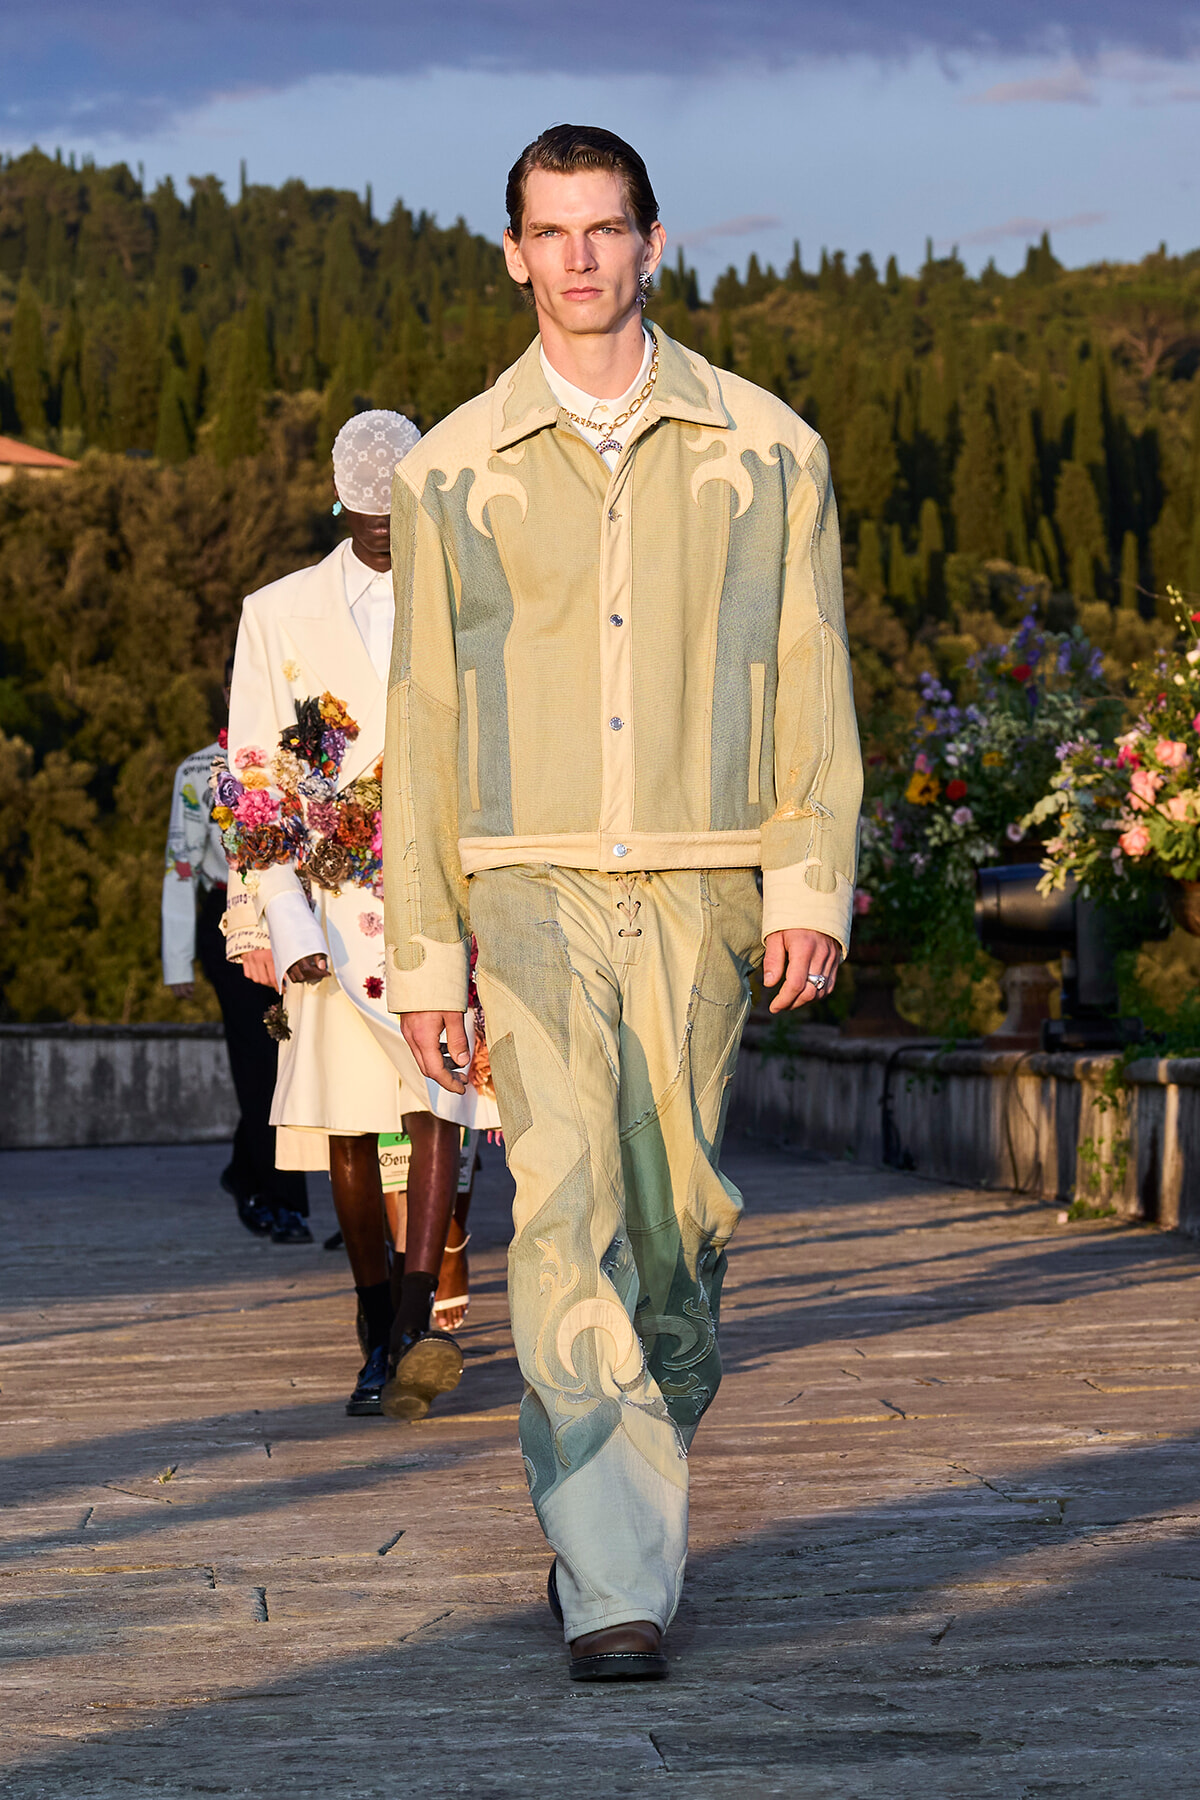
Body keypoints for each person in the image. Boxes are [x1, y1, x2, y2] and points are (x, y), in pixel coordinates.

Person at [383, 125, 862, 1681]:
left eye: (605, 228)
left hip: (706, 879)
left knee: (675, 1235)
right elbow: (425, 720)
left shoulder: (768, 448)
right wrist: (426, 951)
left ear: (655, 241)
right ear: (512, 253)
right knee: (565, 1206)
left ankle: (622, 1511)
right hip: (526, 885)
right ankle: (613, 1581)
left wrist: (807, 881)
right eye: (551, 231)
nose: (579, 258)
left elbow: (810, 676)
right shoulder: (451, 469)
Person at [219, 410, 499, 1419]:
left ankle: (419, 1325)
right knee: (348, 1119)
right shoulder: (276, 612)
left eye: (400, 515)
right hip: (329, 902)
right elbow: (255, 774)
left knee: (438, 1102)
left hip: (442, 889)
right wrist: (274, 920)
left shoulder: (472, 593)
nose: (386, 533)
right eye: (370, 517)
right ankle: (375, 1329)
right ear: (339, 506)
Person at [162, 668, 311, 1241]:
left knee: (299, 1057)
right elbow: (180, 868)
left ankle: (249, 1172)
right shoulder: (198, 770)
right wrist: (177, 960)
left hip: (302, 918)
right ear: (226, 694)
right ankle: (281, 1198)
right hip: (230, 921)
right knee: (259, 1059)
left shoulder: (301, 760)